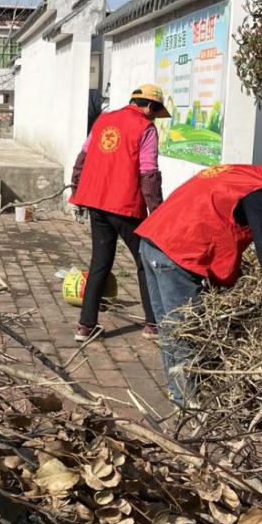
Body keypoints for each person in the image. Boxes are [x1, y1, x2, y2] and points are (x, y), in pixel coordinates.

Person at [135, 163, 262, 406]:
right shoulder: (260, 192)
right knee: (185, 334)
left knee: (169, 329)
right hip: (176, 253)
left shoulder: (239, 174)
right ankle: (188, 405)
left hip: (152, 241)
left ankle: (176, 391)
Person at [69, 84, 168, 342]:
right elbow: (148, 173)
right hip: (126, 205)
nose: (155, 118)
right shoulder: (146, 128)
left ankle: (85, 326)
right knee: (145, 262)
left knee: (100, 263)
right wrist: (157, 212)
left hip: (96, 201)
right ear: (150, 106)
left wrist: (77, 189)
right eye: (156, 112)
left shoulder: (104, 119)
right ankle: (153, 324)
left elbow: (82, 157)